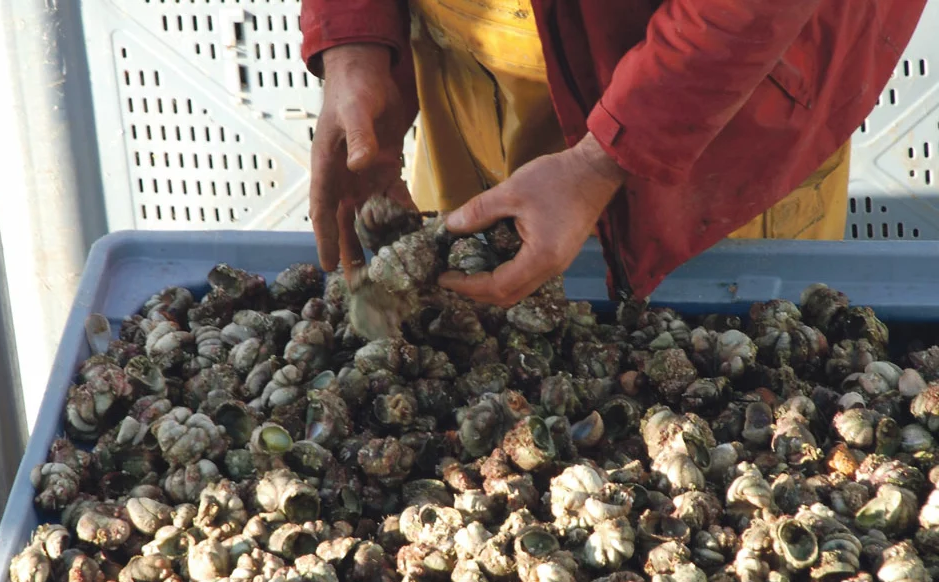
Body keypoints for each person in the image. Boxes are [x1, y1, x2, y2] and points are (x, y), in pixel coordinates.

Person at [299, 0, 925, 307]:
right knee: (468, 291)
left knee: (745, 321)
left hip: (721, 100)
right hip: (473, 69)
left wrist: (606, 158)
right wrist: (353, 39)